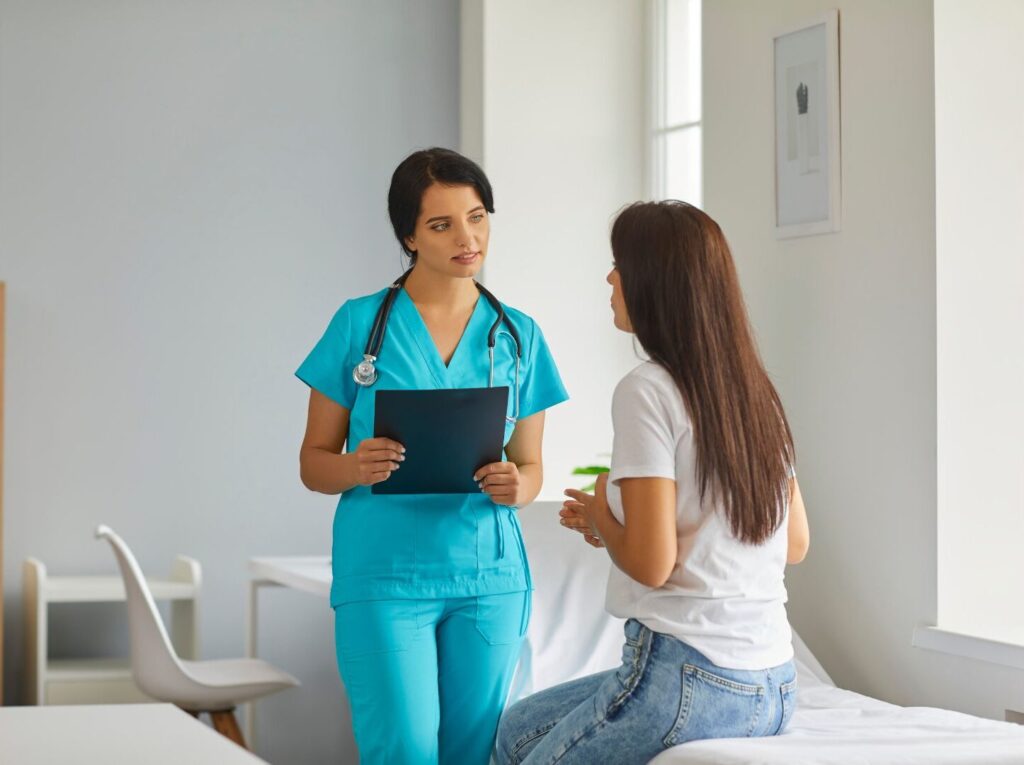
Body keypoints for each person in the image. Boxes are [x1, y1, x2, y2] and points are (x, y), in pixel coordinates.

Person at [495, 201, 810, 765]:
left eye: (620, 264)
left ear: (656, 282)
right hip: (775, 684)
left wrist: (601, 518)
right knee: (516, 730)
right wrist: (617, 527)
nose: (610, 278)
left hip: (688, 674)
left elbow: (650, 564)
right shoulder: (755, 391)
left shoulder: (647, 390)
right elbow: (793, 543)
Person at [296, 148, 568, 764]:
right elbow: (314, 462)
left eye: (477, 217)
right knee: (405, 750)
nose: (467, 238)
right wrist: (354, 466)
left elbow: (532, 468)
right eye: (442, 225)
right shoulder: (358, 324)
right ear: (409, 235)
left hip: (489, 577)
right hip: (386, 577)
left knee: (473, 754)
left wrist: (515, 486)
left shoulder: (519, 333)